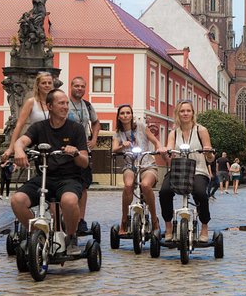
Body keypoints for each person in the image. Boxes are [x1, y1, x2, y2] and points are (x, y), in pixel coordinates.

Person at [11, 89, 89, 255]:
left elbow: (84, 161)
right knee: (17, 200)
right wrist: (19, 151)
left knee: (68, 201)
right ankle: (38, 234)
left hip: (69, 178)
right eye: (61, 103)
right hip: (44, 177)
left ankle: (71, 236)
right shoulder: (39, 127)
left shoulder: (76, 129)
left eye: (67, 103)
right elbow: (21, 141)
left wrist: (75, 153)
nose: (66, 106)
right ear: (49, 106)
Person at [159, 100, 215, 242]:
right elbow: (170, 156)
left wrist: (208, 152)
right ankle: (168, 226)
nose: (185, 114)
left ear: (193, 113)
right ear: (178, 113)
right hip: (178, 170)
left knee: (200, 193)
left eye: (188, 111)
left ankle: (204, 226)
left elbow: (210, 158)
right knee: (164, 192)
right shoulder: (173, 133)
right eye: (182, 111)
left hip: (198, 170)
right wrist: (165, 152)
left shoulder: (201, 130)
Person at [112, 104, 165, 234]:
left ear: (132, 115)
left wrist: (159, 148)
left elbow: (155, 140)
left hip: (147, 164)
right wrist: (121, 146)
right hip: (130, 165)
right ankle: (124, 220)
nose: (125, 115)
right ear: (119, 116)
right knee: (128, 185)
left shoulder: (141, 127)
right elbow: (113, 149)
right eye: (122, 113)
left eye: (128, 113)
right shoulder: (118, 133)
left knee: (145, 185)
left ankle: (154, 220)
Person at [67, 76, 101, 234]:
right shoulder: (65, 103)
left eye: (82, 86)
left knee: (84, 187)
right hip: (66, 150)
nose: (79, 88)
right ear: (71, 86)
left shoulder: (87, 105)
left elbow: (96, 122)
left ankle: (81, 219)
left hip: (84, 151)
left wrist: (93, 139)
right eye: (76, 86)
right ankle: (65, 218)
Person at [2, 72, 54, 161]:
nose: (47, 85)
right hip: (37, 142)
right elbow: (19, 125)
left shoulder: (56, 101)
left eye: (49, 83)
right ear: (38, 85)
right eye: (43, 83)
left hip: (54, 141)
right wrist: (11, 148)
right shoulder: (31, 102)